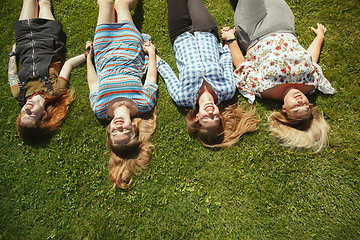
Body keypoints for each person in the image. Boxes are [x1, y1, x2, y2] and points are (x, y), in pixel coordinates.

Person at [221, 0, 335, 152]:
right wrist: (319, 36)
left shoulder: (263, 90)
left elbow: (242, 65)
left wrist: (230, 39)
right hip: (285, 25)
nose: (300, 101)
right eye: (305, 105)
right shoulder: (311, 84)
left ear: (284, 109)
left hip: (255, 31)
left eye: (296, 107)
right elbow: (311, 58)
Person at [156, 0, 258, 148]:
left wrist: (152, 55)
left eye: (206, 119)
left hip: (180, 35)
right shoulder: (227, 90)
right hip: (207, 32)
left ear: (197, 118)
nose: (211, 113)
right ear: (220, 114)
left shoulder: (183, 98)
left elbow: (168, 74)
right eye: (215, 118)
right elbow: (226, 62)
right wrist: (227, 41)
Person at [86, 0, 158, 189]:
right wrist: (151, 53)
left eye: (115, 132)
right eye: (125, 131)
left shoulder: (100, 109)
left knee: (105, 3)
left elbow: (93, 83)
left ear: (109, 130)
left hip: (102, 49)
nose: (119, 127)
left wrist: (89, 58)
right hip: (130, 47)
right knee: (122, 5)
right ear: (134, 128)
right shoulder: (144, 104)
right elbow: (151, 77)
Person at [8, 0, 87, 140]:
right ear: (43, 114)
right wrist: (87, 55)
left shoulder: (19, 93)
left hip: (24, 40)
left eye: (23, 114)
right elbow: (68, 65)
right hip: (48, 38)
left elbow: (12, 74)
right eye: (31, 114)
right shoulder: (56, 91)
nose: (26, 109)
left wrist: (13, 54)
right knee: (44, 3)